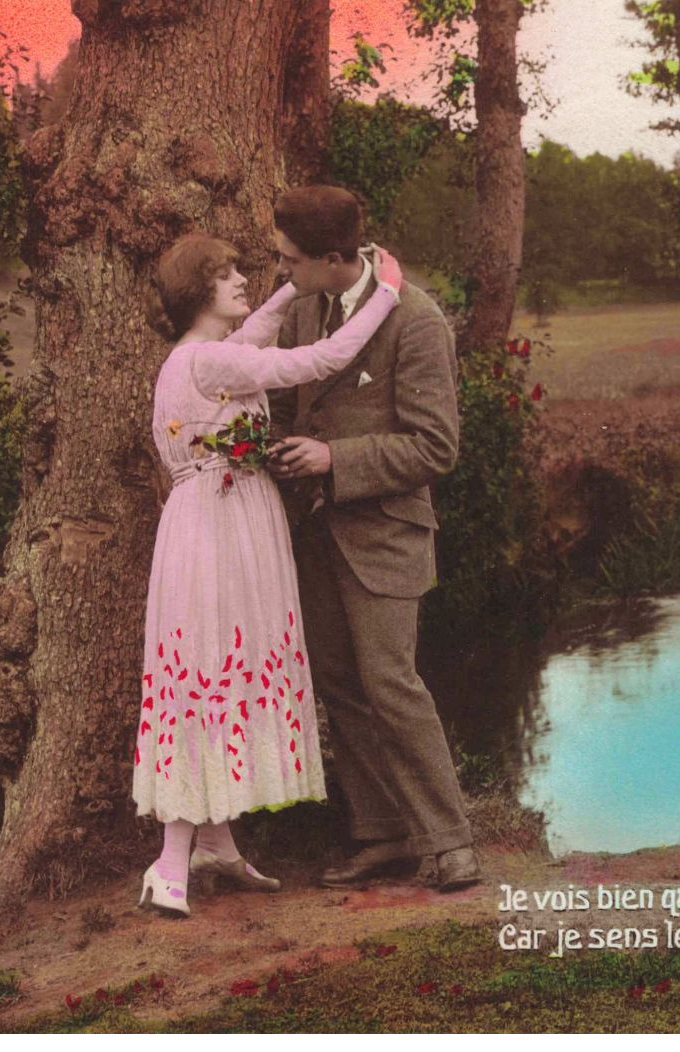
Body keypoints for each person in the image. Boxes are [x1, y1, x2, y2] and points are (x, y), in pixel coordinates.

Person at [134, 232, 405, 916]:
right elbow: (325, 355)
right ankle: (169, 861)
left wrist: (297, 284)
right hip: (218, 529)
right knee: (205, 671)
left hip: (223, 519)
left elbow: (258, 331)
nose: (242, 284)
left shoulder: (205, 357)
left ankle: (216, 845)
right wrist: (386, 293)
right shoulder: (206, 362)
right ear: (199, 294)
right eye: (226, 277)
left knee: (221, 669)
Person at [265, 186, 480, 891]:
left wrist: (336, 460)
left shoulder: (417, 321)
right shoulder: (300, 307)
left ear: (335, 259)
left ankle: (450, 842)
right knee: (337, 682)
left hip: (385, 535)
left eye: (292, 258)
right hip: (314, 532)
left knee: (391, 682)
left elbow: (435, 447)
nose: (282, 268)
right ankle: (382, 832)